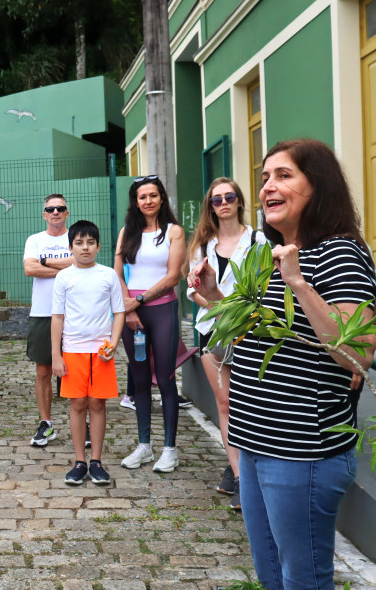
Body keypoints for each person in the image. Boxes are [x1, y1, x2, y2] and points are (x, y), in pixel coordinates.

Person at [192, 139, 376, 590]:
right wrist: (213, 299)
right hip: (256, 443)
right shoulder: (274, 254)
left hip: (302, 452)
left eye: (284, 175)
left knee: (307, 588)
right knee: (274, 580)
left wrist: (298, 283)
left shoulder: (341, 253)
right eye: (266, 176)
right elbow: (256, 334)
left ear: (318, 185)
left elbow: (356, 353)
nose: (268, 185)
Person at [185, 178, 266, 510]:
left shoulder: (259, 241)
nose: (223, 203)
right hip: (213, 330)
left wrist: (236, 311)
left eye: (229, 196)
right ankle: (241, 479)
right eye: (216, 199)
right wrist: (216, 308)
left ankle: (244, 469)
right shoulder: (202, 247)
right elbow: (192, 289)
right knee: (225, 405)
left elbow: (265, 286)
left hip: (250, 331)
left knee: (252, 405)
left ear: (239, 201)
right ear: (211, 206)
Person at [114, 176, 186, 472]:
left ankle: (169, 449)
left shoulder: (174, 231)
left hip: (162, 310)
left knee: (166, 379)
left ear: (162, 198)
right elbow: (116, 274)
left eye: (153, 195)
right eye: (142, 197)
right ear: (135, 202)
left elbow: (173, 277)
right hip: (132, 314)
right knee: (140, 379)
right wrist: (128, 310)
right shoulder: (126, 233)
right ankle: (144, 446)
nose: (148, 201)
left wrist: (138, 301)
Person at [51, 221, 124, 485]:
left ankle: (97, 461)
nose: (85, 248)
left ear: (98, 246)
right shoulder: (64, 277)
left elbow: (119, 312)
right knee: (78, 404)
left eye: (90, 242)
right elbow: (57, 318)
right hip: (73, 351)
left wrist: (114, 343)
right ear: (71, 247)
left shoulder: (108, 275)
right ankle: (79, 461)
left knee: (97, 404)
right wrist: (57, 355)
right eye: (79, 243)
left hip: (102, 352)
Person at [24, 194, 73, 447]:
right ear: (44, 214)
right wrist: (65, 267)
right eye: (50, 209)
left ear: (67, 213)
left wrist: (44, 262)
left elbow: (81, 261)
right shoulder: (35, 240)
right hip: (43, 312)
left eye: (60, 208)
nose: (55, 212)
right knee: (43, 370)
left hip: (75, 313)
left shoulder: (75, 236)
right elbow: (29, 269)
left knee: (75, 370)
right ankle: (46, 424)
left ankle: (82, 423)